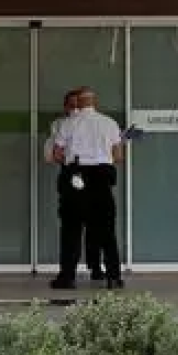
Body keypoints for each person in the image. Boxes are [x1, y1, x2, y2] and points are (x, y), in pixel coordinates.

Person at [49, 87, 124, 290]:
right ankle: (114, 276)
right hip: (102, 178)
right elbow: (118, 156)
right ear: (94, 102)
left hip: (76, 177)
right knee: (106, 229)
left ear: (78, 103)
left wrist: (71, 161)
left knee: (71, 229)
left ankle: (67, 277)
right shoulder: (110, 123)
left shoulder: (67, 123)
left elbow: (57, 154)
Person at [44, 89, 103, 282]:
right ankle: (68, 272)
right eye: (72, 105)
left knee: (95, 225)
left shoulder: (99, 123)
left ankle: (96, 267)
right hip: (72, 174)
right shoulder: (61, 124)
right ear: (65, 107)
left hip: (94, 175)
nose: (76, 109)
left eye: (79, 104)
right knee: (71, 227)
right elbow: (52, 154)